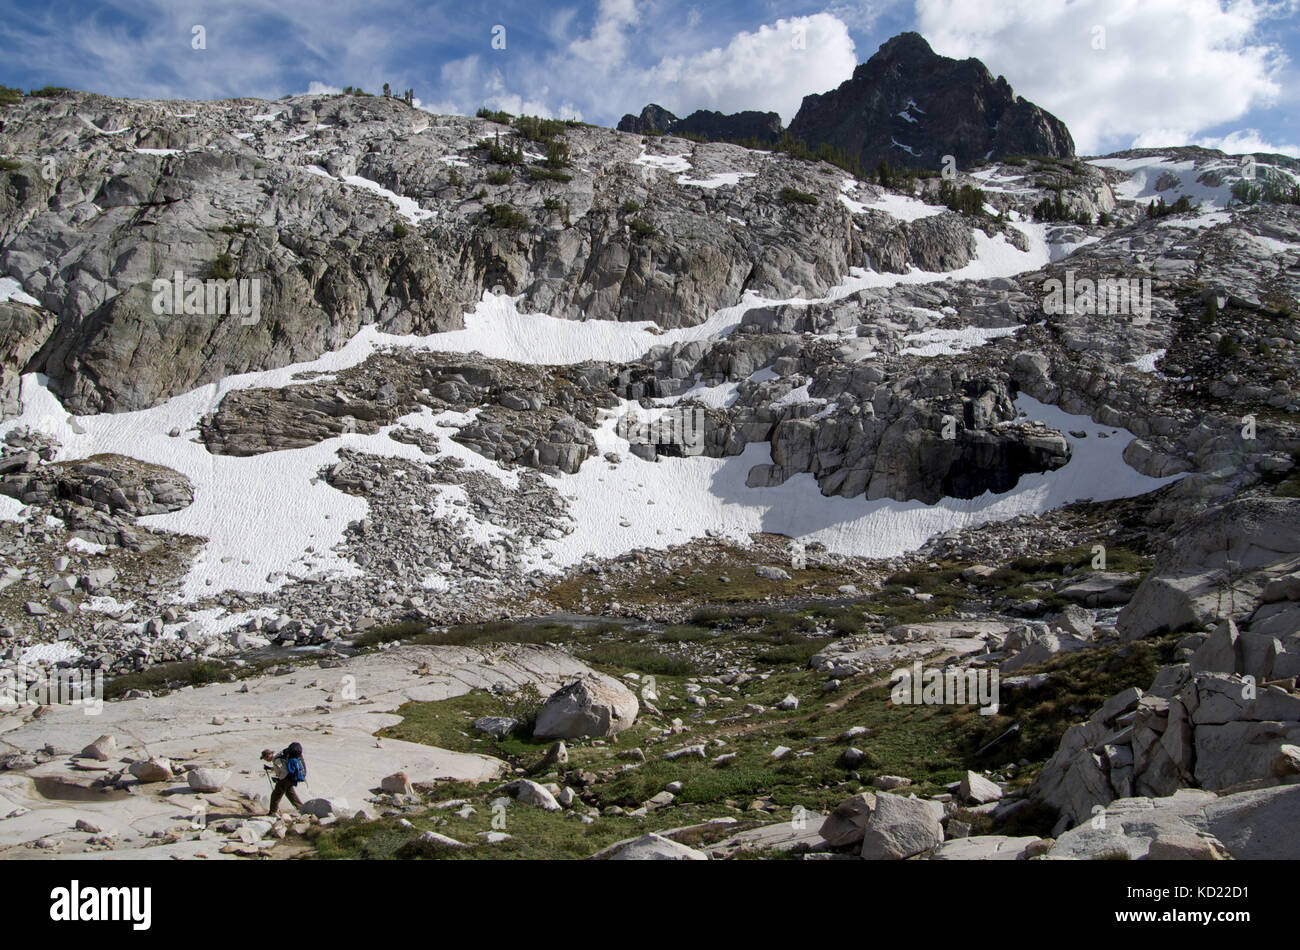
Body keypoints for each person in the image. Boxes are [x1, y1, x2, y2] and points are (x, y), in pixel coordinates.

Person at [262, 743, 306, 816]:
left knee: (275, 795)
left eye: (264, 758)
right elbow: (281, 768)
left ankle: (272, 812)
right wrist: (270, 768)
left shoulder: (276, 759)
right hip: (289, 778)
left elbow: (284, 770)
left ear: (268, 755)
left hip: (285, 779)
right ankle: (302, 810)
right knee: (291, 795)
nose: (265, 760)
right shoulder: (279, 757)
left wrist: (279, 779)